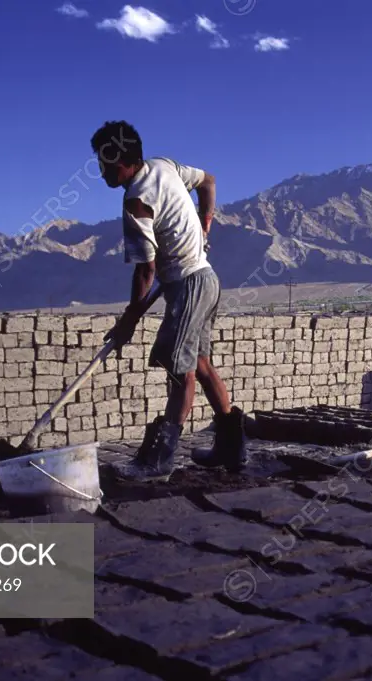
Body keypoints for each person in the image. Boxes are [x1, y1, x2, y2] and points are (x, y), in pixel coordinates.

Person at [90, 120, 247, 481]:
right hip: (206, 280)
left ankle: (159, 459)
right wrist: (206, 220)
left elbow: (146, 271)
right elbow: (208, 180)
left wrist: (129, 319)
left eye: (104, 164)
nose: (101, 173)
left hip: (189, 284)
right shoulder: (165, 166)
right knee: (201, 364)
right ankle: (232, 446)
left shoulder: (136, 203)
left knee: (182, 370)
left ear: (121, 162)